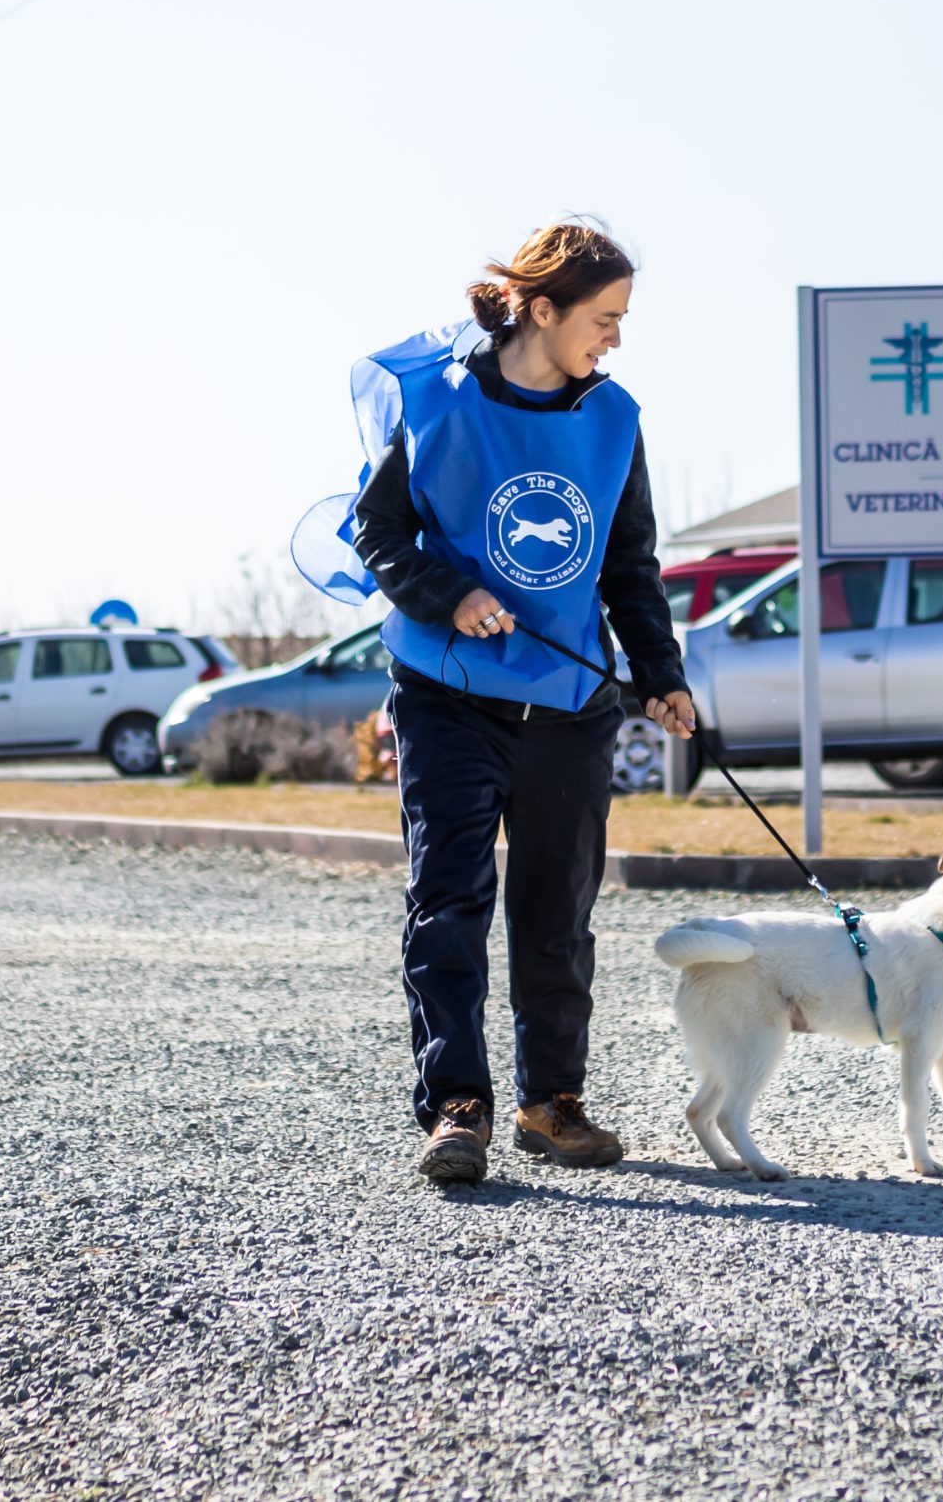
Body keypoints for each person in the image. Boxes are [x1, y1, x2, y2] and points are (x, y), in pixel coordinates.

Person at [349, 221, 696, 1183]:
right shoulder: (441, 404)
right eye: (604, 318)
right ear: (541, 310)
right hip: (447, 696)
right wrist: (445, 594)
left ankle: (554, 1102)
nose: (615, 339)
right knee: (449, 901)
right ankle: (457, 1107)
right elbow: (376, 533)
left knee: (557, 912)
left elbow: (630, 563)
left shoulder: (615, 418)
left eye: (622, 320)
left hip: (570, 701)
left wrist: (661, 675)